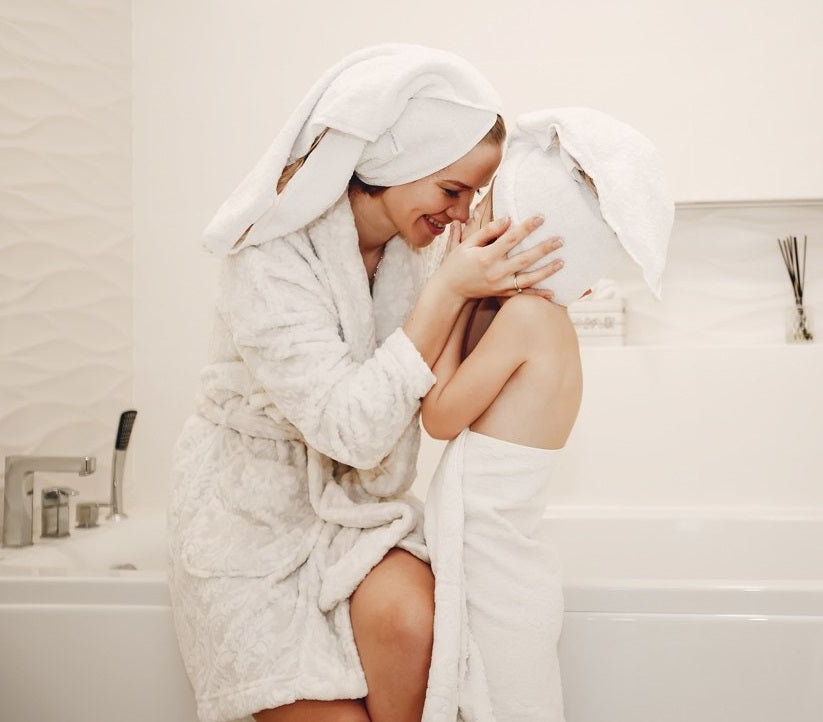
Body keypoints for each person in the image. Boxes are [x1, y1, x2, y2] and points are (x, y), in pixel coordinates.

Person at [166, 45, 563, 722]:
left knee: (415, 622)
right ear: (395, 163)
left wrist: (514, 296)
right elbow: (348, 429)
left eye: (473, 193)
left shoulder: (422, 249)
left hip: (357, 512)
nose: (460, 212)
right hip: (249, 524)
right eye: (451, 190)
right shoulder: (269, 253)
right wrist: (446, 292)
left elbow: (444, 393)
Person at [416, 108, 674, 722]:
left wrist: (453, 289)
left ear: (518, 234)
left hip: (500, 584)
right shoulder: (544, 323)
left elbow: (438, 416)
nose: (465, 223)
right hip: (509, 573)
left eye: (482, 212)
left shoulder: (527, 320)